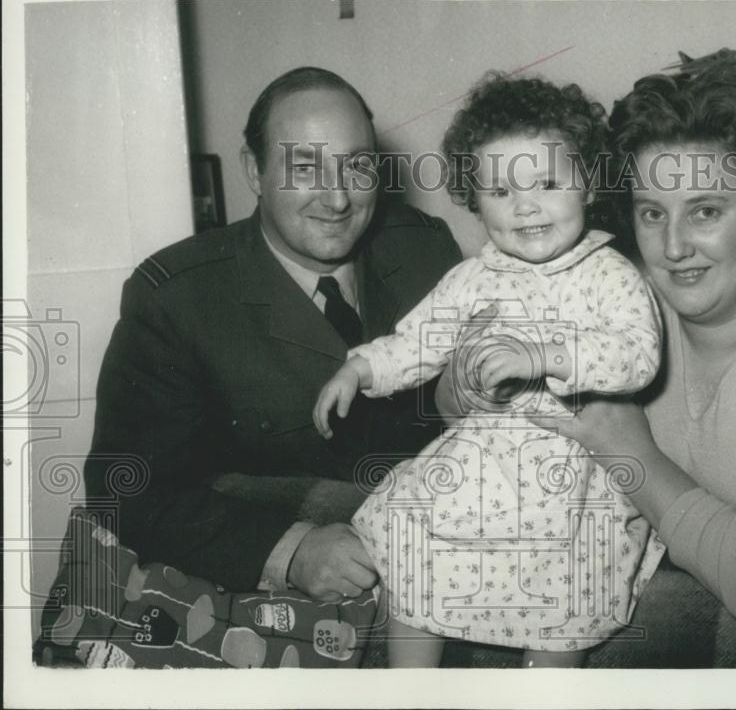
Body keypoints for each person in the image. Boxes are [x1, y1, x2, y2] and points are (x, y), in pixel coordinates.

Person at [439, 53, 736, 667]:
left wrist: (630, 454)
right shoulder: (609, 299)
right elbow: (459, 406)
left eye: (706, 211)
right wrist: (469, 376)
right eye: (652, 213)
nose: (673, 245)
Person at [313, 75, 664, 668]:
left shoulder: (610, 274)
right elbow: (421, 340)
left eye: (547, 183)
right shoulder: (474, 276)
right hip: (482, 466)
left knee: (565, 593)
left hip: (569, 476)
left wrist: (547, 357)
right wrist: (362, 367)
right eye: (501, 191)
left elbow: (637, 355)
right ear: (475, 201)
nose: (525, 205)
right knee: (418, 549)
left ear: (588, 184)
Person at [82, 67, 462, 605]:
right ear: (253, 170)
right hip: (278, 616)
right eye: (305, 167)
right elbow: (126, 490)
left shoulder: (426, 250)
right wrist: (291, 550)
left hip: (434, 575)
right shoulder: (176, 297)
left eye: (357, 166)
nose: (337, 199)